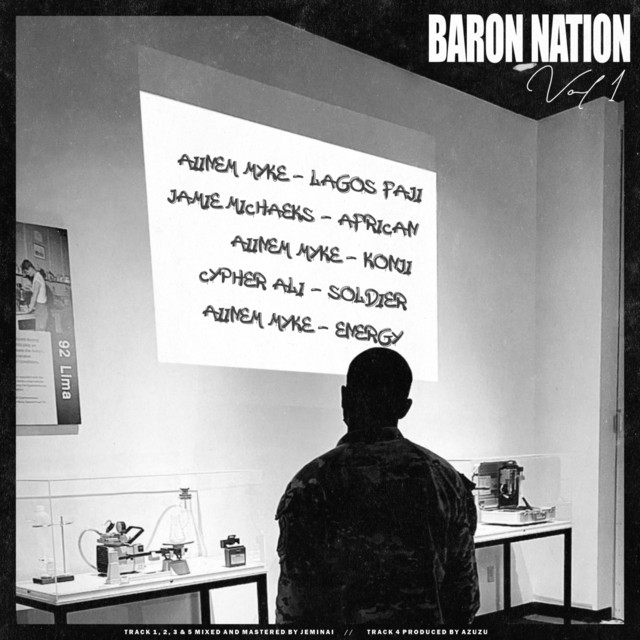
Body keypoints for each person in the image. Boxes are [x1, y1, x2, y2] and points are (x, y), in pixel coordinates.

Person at [276, 347, 479, 626]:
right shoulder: (445, 478)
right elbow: (464, 599)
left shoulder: (311, 484)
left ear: (345, 398)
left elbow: (295, 607)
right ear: (405, 408)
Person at [20, 259, 49, 331]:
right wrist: (29, 288)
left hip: (40, 307)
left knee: (40, 332)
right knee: (41, 331)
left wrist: (30, 308)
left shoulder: (37, 278)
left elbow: (35, 294)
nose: (27, 274)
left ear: (30, 268)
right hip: (42, 307)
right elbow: (38, 291)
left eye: (27, 272)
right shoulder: (38, 276)